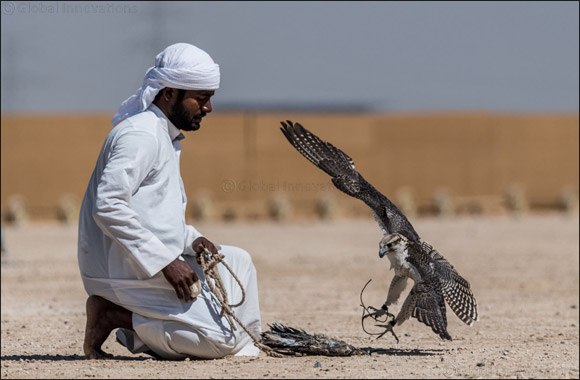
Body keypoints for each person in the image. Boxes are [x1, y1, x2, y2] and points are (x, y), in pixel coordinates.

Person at [77, 43, 261, 360]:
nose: (208, 108)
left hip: (144, 259)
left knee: (239, 260)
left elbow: (153, 214)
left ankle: (228, 337)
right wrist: (166, 261)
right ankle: (114, 314)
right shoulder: (142, 135)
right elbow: (107, 206)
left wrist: (191, 239)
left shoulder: (164, 136)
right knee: (222, 341)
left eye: (210, 98)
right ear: (169, 93)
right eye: (201, 99)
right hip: (121, 269)